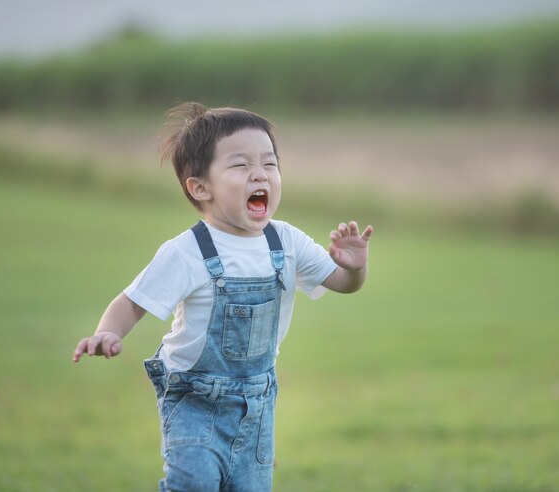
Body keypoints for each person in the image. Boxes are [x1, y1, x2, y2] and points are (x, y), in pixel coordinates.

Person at [72, 102, 373, 491]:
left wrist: (355, 267)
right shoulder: (187, 251)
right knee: (193, 483)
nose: (259, 174)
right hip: (194, 399)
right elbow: (133, 301)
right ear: (200, 187)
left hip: (258, 403)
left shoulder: (286, 241)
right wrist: (108, 332)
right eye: (241, 165)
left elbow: (344, 284)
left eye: (269, 163)